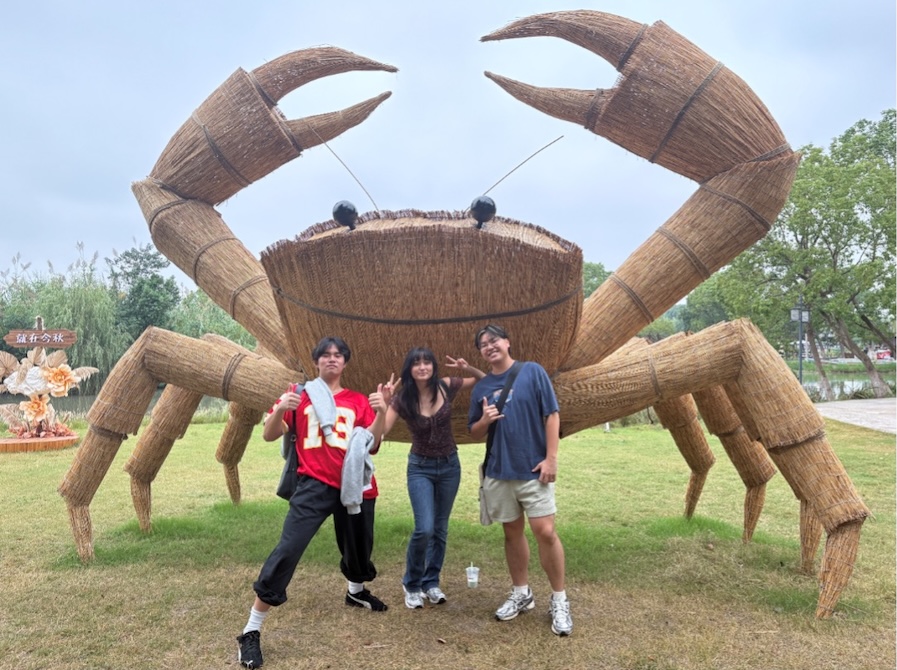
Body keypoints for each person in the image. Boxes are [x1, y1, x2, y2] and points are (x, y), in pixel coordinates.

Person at [236, 336, 390, 669]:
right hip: (314, 484)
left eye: (338, 355)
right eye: (326, 355)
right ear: (316, 361)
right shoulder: (301, 394)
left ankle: (355, 591)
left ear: (345, 362)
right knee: (288, 549)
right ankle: (251, 630)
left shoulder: (358, 400)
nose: (332, 359)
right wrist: (280, 409)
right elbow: (268, 434)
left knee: (359, 547)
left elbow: (372, 444)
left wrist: (382, 412)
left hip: (355, 485)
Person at [466, 324, 573, 636]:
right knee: (512, 534)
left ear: (507, 342)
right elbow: (473, 431)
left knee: (546, 531)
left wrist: (551, 458)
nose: (489, 346)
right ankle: (521, 593)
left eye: (494, 340)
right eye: (483, 344)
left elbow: (551, 414)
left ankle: (559, 599)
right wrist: (483, 421)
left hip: (533, 469)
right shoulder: (481, 389)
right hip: (499, 471)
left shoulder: (532, 372)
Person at [369, 347, 484, 609]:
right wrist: (382, 406)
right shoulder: (402, 399)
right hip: (420, 467)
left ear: (433, 366)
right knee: (425, 528)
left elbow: (483, 380)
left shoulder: (445, 386)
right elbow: (381, 431)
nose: (423, 367)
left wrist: (467, 368)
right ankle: (411, 583)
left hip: (449, 466)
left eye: (427, 362)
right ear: (409, 369)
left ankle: (431, 582)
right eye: (416, 363)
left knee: (440, 529)